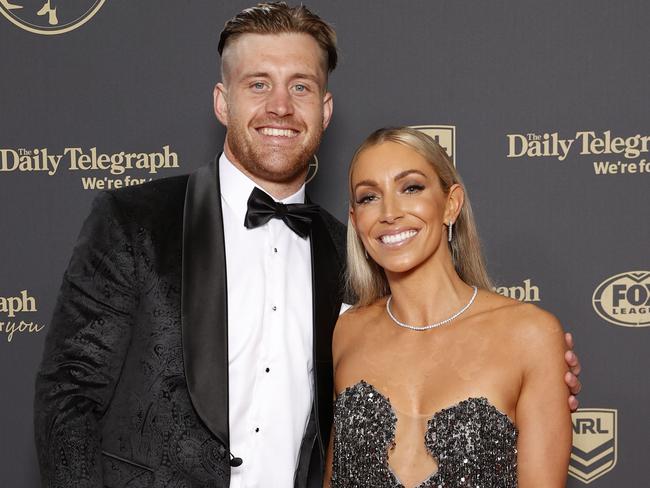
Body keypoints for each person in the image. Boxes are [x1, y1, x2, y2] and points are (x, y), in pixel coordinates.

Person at [34, 3, 580, 488]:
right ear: (223, 102)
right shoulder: (136, 220)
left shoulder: (352, 252)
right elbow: (68, 397)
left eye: (300, 86)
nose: (280, 106)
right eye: (258, 84)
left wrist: (530, 380)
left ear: (325, 108)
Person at [325, 127, 573, 487]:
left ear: (451, 204)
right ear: (355, 220)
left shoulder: (530, 336)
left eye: (410, 188)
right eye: (368, 198)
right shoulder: (347, 331)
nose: (389, 213)